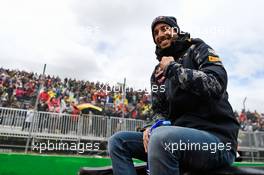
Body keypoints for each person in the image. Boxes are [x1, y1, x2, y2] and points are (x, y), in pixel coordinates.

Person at [108, 16, 240, 175]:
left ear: (176, 30)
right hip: (175, 138)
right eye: (156, 33)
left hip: (217, 140)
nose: (160, 34)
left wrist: (173, 69)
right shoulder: (157, 73)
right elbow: (159, 111)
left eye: (165, 28)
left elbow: (216, 84)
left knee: (162, 138)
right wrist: (151, 127)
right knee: (118, 141)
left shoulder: (198, 49)